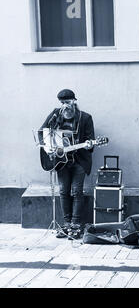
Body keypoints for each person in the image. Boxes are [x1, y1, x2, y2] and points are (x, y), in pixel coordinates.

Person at [40, 89, 95, 239]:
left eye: (68, 102)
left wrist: (89, 144)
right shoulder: (55, 114)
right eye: (62, 103)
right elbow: (42, 132)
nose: (65, 106)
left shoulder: (85, 118)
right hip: (61, 161)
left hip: (79, 161)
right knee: (63, 191)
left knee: (77, 191)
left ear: (74, 101)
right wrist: (48, 148)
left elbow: (91, 140)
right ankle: (66, 224)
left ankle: (76, 225)